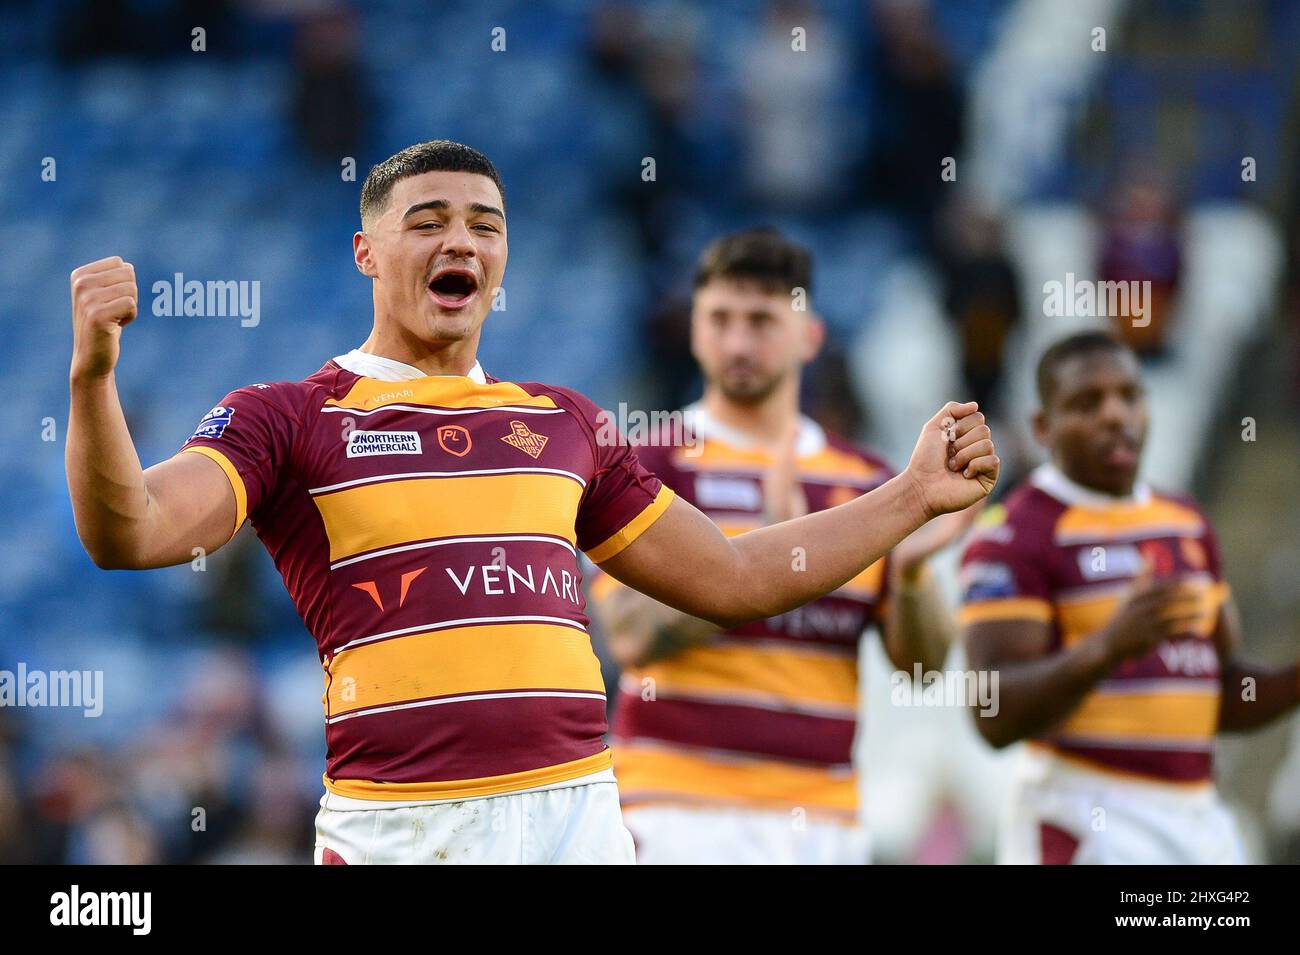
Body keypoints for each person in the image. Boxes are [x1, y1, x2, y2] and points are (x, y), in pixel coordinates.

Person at [65, 140, 999, 865]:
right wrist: (93, 379)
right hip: (407, 824)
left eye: (485, 223)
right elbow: (130, 530)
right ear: (365, 251)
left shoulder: (566, 424)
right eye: (427, 220)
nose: (460, 240)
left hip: (577, 814)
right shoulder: (288, 418)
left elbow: (737, 576)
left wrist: (912, 494)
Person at [590, 228, 973, 864]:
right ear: (694, 331)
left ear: (809, 336)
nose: (739, 342)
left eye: (763, 321)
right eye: (720, 319)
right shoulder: (650, 463)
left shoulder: (869, 483)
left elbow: (925, 666)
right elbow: (629, 636)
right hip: (676, 813)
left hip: (821, 821)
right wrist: (753, 557)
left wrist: (908, 575)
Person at [961, 331, 1300, 864]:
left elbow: (1220, 693)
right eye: (1087, 403)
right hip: (1087, 816)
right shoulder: (1016, 532)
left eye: (1129, 395)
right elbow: (991, 712)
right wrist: (1108, 648)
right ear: (1043, 428)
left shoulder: (1184, 520)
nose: (1115, 415)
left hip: (1198, 817)